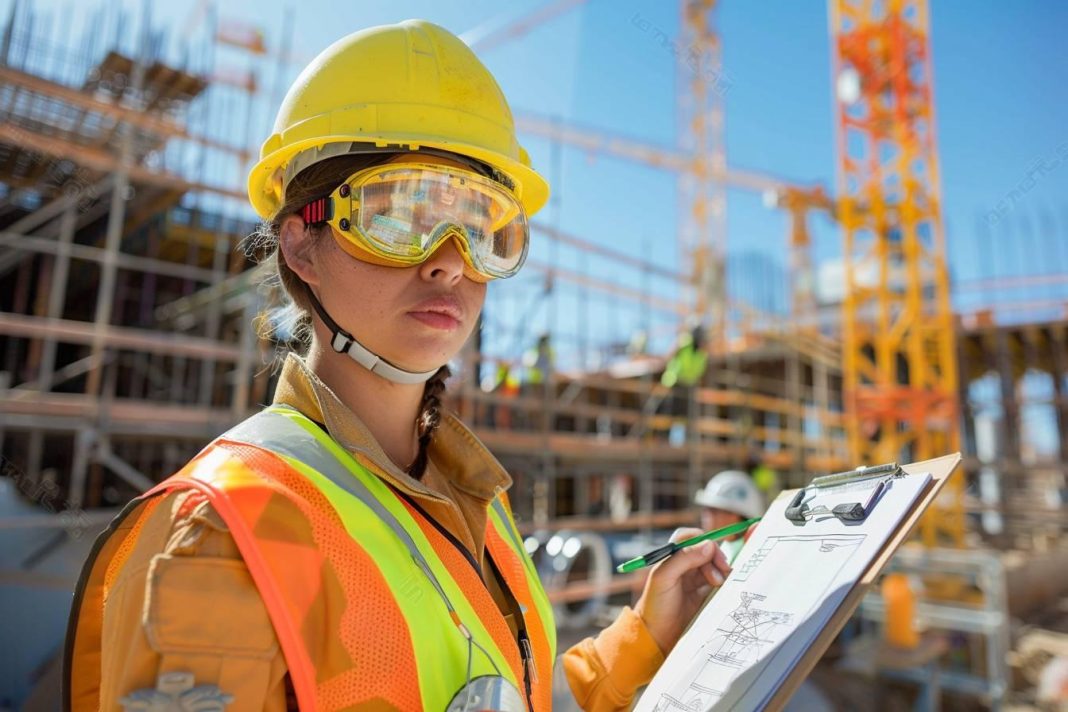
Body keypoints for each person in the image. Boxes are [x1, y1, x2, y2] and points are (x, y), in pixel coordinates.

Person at [64, 20, 731, 712]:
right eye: (396, 216)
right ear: (301, 247)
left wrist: (646, 637)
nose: (448, 258)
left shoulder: (477, 502)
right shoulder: (219, 534)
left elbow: (502, 695)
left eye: (478, 227)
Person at [693, 470, 766, 564]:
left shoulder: (752, 554)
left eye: (712, 510)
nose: (705, 515)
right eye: (705, 508)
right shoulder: (726, 549)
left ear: (734, 514)